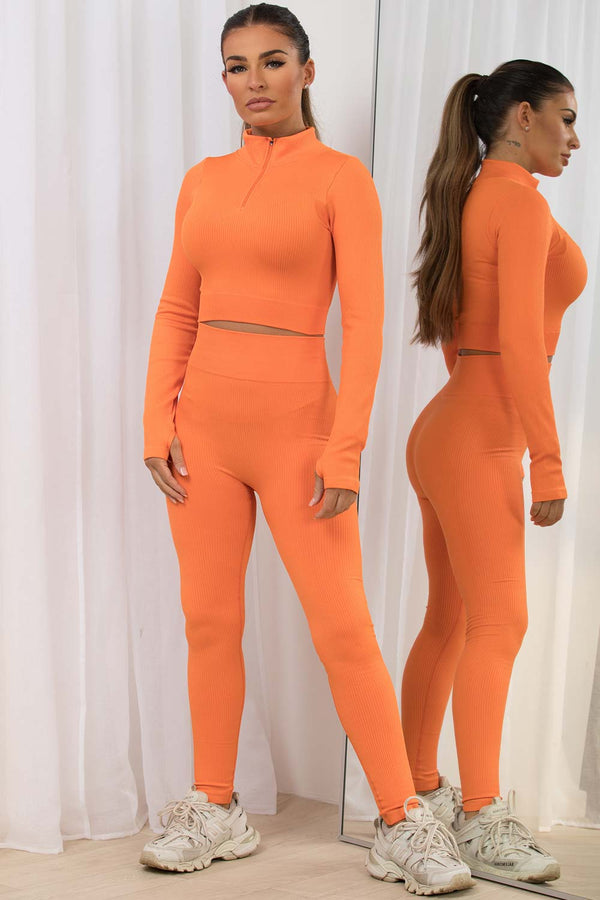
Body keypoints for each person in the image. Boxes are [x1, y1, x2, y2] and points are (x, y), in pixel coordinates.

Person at [140, 3, 471, 894]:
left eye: (273, 60)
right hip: (202, 430)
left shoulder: (341, 179)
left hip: (299, 430)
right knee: (209, 621)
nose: (254, 80)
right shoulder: (203, 180)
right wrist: (155, 420)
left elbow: (364, 325)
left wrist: (344, 447)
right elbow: (176, 307)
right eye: (236, 65)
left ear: (308, 70)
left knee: (342, 627)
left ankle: (402, 819)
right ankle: (217, 805)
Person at [402, 59, 587, 883]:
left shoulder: (474, 192)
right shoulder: (516, 202)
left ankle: (416, 792)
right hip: (477, 438)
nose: (575, 139)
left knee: (450, 622)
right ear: (522, 117)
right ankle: (481, 816)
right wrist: (545, 461)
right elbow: (516, 339)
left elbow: (463, 331)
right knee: (500, 625)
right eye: (567, 119)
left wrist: (486, 420)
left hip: (450, 427)